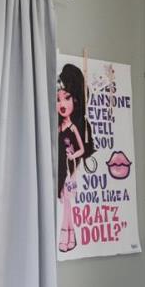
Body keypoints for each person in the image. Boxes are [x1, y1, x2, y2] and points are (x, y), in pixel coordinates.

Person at [56, 63, 94, 254]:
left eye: (67, 98)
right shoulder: (59, 127)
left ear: (76, 99)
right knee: (66, 205)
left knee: (67, 205)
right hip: (63, 171)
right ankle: (70, 239)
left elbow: (81, 149)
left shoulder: (72, 128)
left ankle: (66, 239)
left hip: (71, 172)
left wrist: (73, 155)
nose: (62, 104)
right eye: (58, 100)